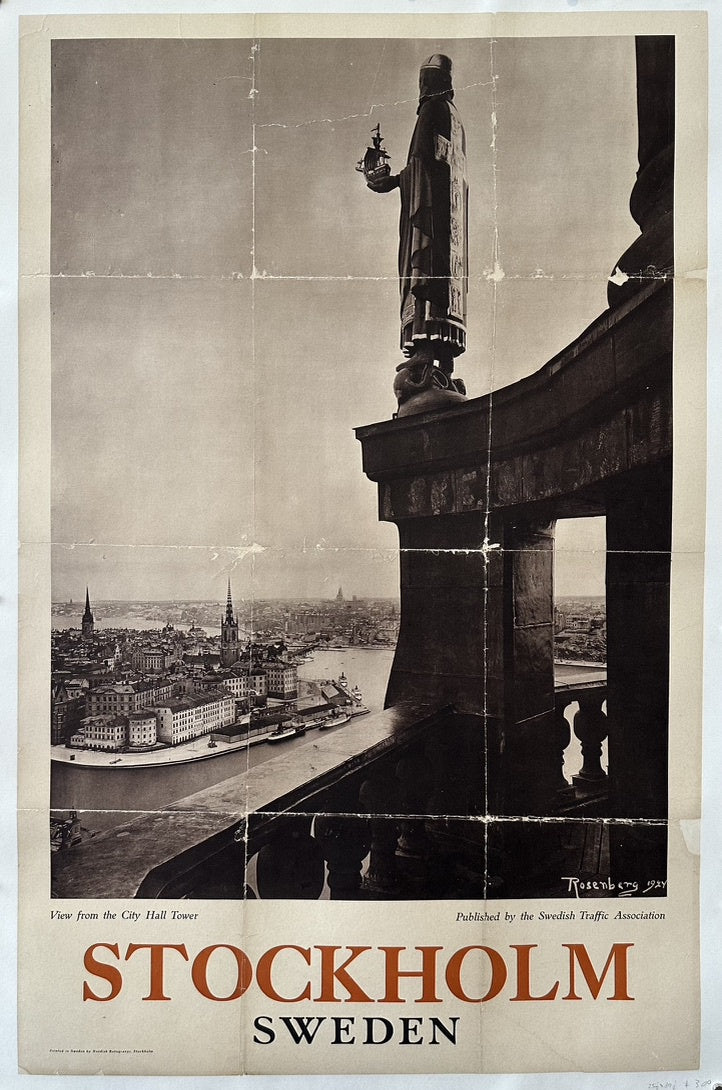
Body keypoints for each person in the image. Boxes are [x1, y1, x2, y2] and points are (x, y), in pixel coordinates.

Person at [366, 54, 468, 414]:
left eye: (425, 80)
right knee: (438, 278)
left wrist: (392, 180)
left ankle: (426, 351)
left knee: (420, 277)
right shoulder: (455, 118)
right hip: (446, 226)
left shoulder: (431, 112)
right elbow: (436, 167)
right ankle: (442, 354)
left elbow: (423, 167)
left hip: (427, 224)